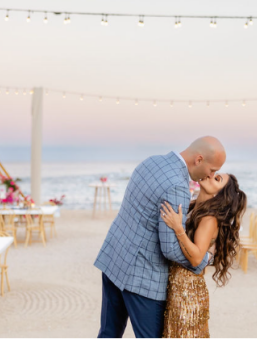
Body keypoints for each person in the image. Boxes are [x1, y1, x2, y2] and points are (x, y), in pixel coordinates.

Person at [94, 136, 226, 338]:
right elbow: (170, 249)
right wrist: (203, 260)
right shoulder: (178, 186)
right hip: (142, 278)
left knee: (108, 333)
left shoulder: (151, 161)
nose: (212, 174)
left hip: (114, 259)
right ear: (199, 159)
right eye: (212, 170)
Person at [160, 173, 246, 338]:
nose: (211, 175)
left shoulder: (209, 219)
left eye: (217, 179)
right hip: (177, 289)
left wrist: (178, 228)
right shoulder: (194, 207)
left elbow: (197, 258)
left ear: (220, 194)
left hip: (188, 294)